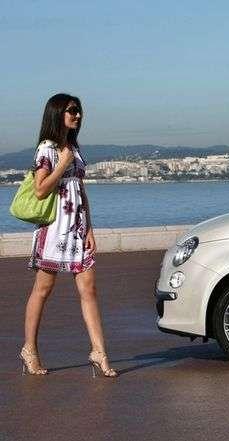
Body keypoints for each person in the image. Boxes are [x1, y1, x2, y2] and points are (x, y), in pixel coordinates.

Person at [19, 93, 117, 378]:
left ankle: (99, 352)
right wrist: (62, 163)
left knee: (89, 289)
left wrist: (90, 229)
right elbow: (40, 190)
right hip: (53, 229)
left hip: (77, 229)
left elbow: (81, 192)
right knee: (43, 289)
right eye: (72, 111)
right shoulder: (47, 149)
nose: (77, 115)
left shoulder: (74, 148)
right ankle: (29, 349)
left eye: (79, 110)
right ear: (57, 114)